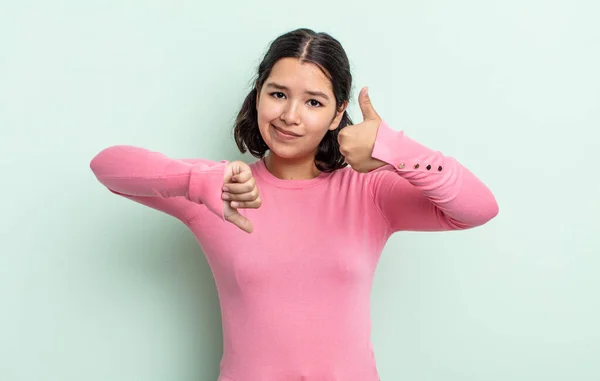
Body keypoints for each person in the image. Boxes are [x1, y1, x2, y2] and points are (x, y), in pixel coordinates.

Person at [90, 27, 498, 381]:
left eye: (314, 102)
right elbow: (107, 166)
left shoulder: (369, 192)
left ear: (339, 113)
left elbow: (478, 208)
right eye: (278, 94)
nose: (289, 115)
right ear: (259, 95)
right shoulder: (222, 188)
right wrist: (196, 181)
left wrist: (394, 147)